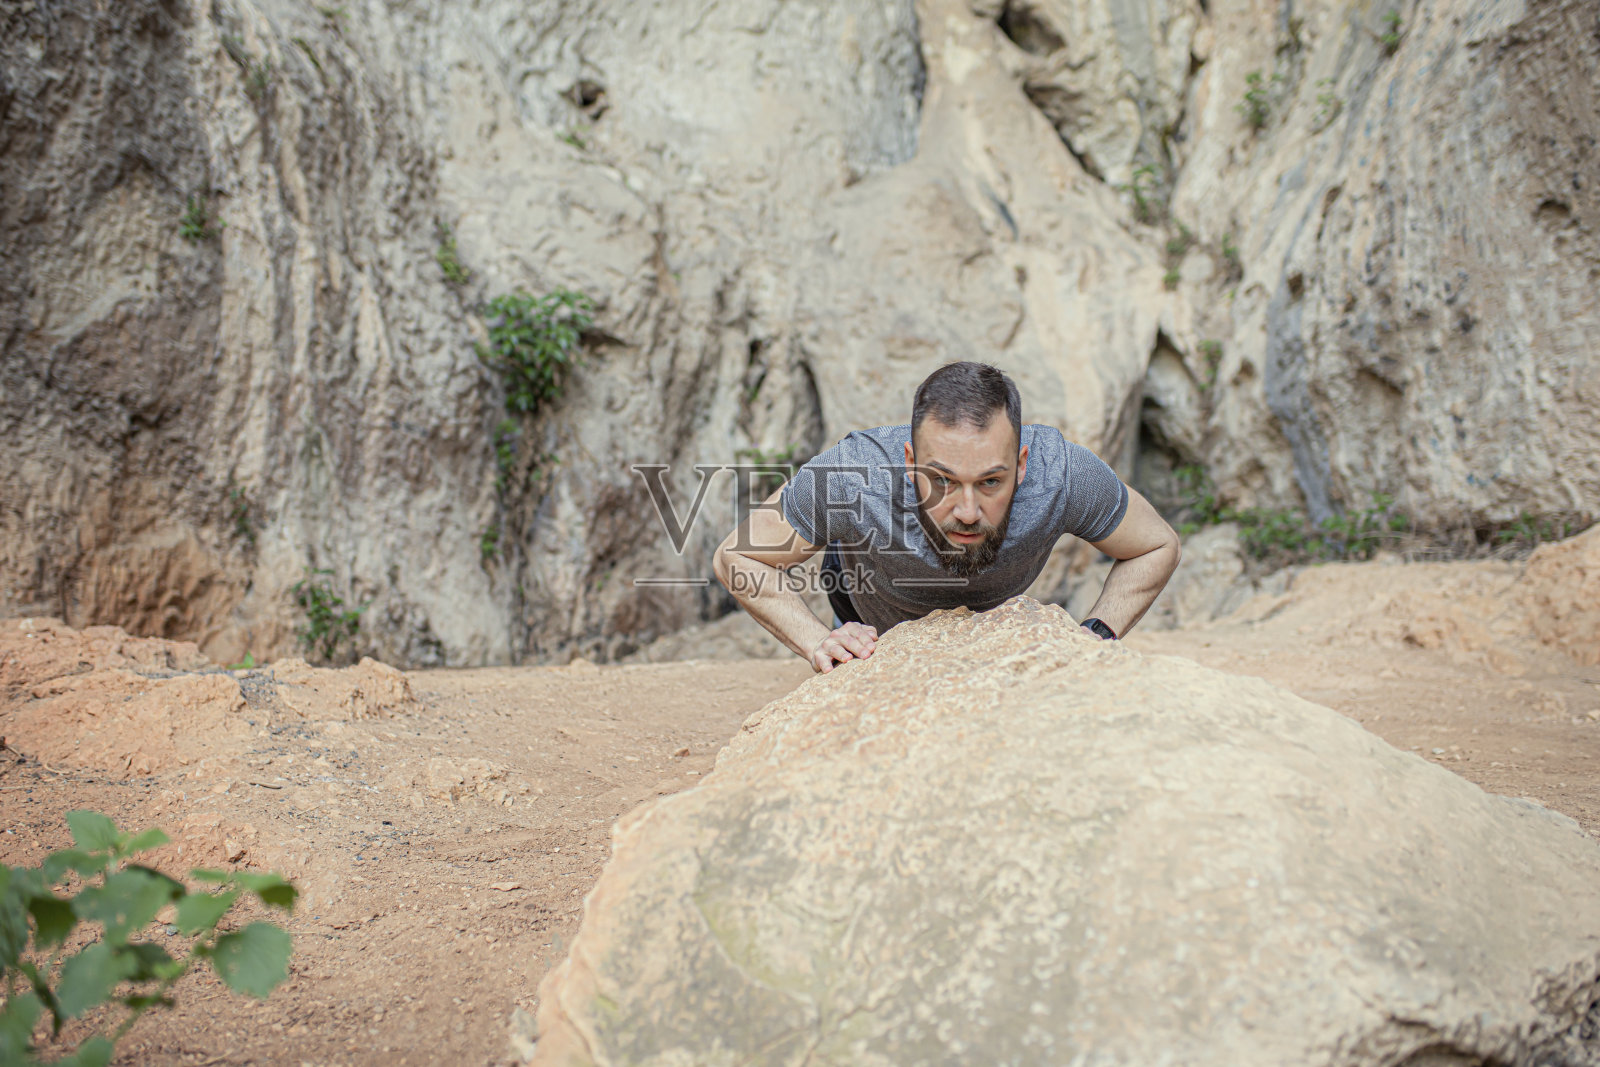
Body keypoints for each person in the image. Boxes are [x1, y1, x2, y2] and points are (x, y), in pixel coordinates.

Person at [712, 361, 1181, 673]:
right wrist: (817, 639)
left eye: (991, 482)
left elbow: (1155, 546)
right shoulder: (855, 476)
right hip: (870, 616)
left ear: (1021, 465)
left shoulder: (1062, 474)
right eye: (943, 481)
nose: (968, 511)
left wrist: (1095, 637)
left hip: (989, 626)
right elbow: (738, 557)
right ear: (910, 459)